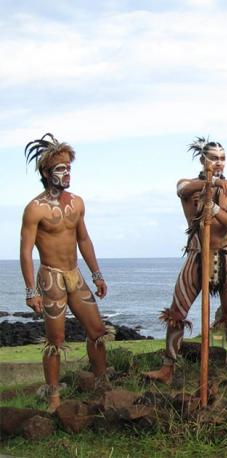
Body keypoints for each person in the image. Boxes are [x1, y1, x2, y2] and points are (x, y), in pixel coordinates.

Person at [20, 133, 113, 412]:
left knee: (97, 331)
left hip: (75, 274)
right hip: (51, 278)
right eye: (61, 168)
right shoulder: (34, 209)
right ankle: (53, 398)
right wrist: (30, 291)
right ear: (47, 173)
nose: (67, 172)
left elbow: (83, 239)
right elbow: (25, 252)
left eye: (69, 167)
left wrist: (97, 274)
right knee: (55, 341)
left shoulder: (77, 203)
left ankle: (101, 386)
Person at [145, 139, 227, 383]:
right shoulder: (188, 185)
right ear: (202, 160)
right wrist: (210, 183)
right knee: (177, 312)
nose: (218, 162)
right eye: (213, 158)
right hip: (196, 254)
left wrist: (213, 210)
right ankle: (168, 368)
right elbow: (183, 191)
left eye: (222, 158)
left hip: (225, 255)